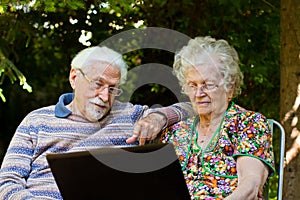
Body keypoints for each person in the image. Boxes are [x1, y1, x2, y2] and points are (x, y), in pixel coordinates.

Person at [0, 46, 193, 199]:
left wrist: (159, 117)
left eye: (112, 89)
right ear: (74, 78)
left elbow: (193, 108)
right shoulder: (37, 120)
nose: (103, 96)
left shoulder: (130, 114)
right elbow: (7, 182)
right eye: (98, 84)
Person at [160, 36, 275, 199]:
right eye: (192, 85)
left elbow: (250, 186)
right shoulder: (176, 132)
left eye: (208, 85)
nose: (199, 94)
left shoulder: (249, 124)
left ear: (229, 87)